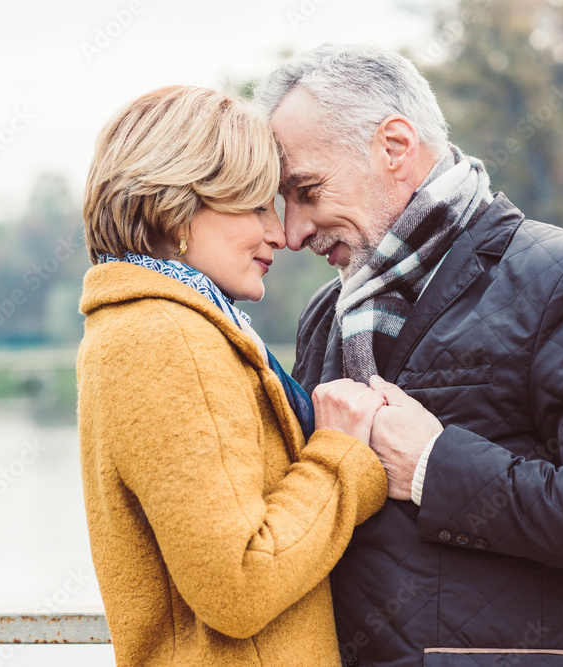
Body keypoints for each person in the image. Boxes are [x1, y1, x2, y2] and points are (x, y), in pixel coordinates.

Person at [255, 44, 563, 667]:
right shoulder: (326, 317)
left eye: (306, 190)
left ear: (394, 146)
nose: (293, 230)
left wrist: (433, 466)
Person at [78, 85, 391, 666]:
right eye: (253, 207)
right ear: (175, 209)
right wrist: (341, 455)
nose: (279, 233)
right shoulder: (168, 339)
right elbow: (239, 585)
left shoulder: (152, 325)